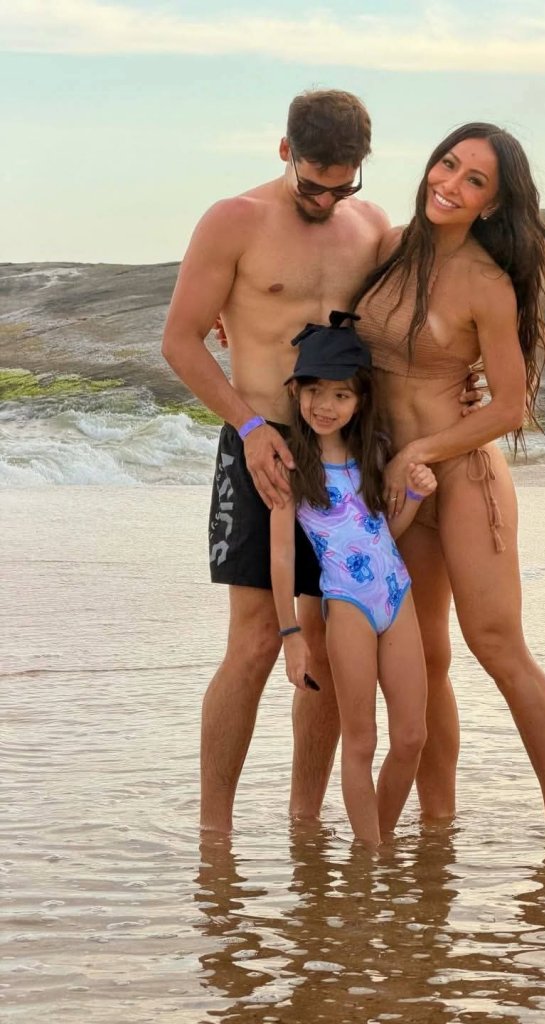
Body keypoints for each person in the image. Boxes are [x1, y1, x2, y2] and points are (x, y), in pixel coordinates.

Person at [161, 89, 462, 833]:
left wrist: (468, 373)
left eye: (342, 186)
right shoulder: (233, 220)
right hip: (262, 440)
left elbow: (413, 322)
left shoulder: (372, 228)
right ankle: (214, 832)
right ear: (284, 152)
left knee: (328, 638)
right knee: (256, 640)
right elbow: (180, 340)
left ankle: (305, 821)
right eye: (313, 185)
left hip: (345, 453)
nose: (327, 200)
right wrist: (249, 426)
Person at [354, 122, 545, 839]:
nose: (450, 184)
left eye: (474, 180)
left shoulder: (487, 285)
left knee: (496, 645)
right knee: (425, 658)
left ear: (493, 203)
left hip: (459, 477)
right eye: (447, 165)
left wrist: (422, 449)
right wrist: (238, 323)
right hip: (399, 482)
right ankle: (438, 819)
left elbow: (509, 407)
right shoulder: (388, 249)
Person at [270, 313, 436, 847]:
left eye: (340, 394)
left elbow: (382, 531)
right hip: (346, 605)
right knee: (360, 741)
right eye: (314, 391)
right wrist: (291, 635)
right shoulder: (290, 465)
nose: (325, 405)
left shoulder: (374, 453)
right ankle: (371, 860)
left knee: (411, 736)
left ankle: (376, 842)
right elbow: (280, 556)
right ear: (295, 391)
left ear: (359, 400)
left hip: (397, 595)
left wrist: (414, 496)